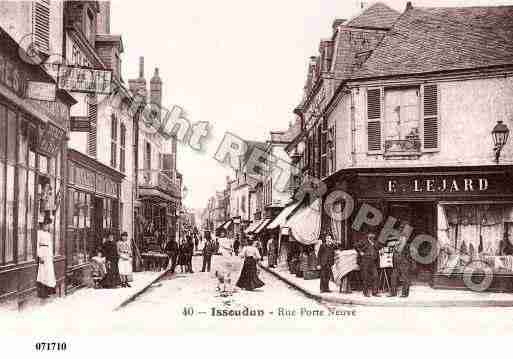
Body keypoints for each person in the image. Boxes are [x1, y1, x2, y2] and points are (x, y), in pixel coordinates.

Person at [36, 218, 56, 298]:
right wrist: (40, 256)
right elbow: (37, 245)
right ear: (43, 225)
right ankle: (42, 293)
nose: (47, 227)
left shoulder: (48, 234)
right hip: (43, 253)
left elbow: (50, 245)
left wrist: (51, 255)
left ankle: (48, 291)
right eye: (46, 225)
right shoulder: (39, 233)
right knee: (42, 273)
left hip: (48, 254)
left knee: (49, 273)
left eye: (48, 225)